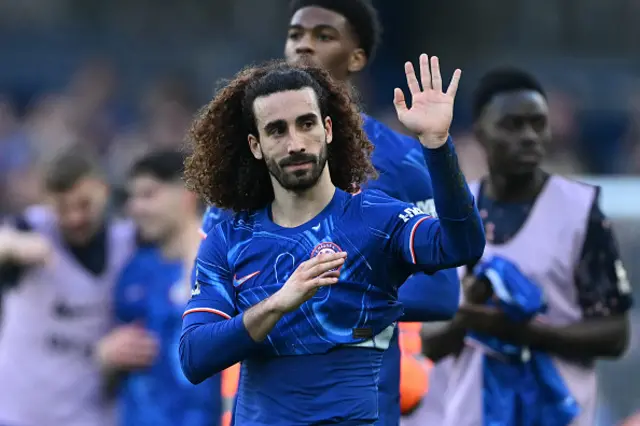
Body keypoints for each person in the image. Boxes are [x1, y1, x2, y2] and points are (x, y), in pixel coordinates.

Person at [179, 55, 484, 425]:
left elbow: (461, 246)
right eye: (276, 130)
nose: (295, 144)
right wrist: (277, 304)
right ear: (255, 145)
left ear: (328, 129)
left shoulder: (377, 219)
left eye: (305, 124)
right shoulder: (229, 238)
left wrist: (437, 146)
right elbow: (195, 356)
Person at [422, 68, 633, 426]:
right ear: (480, 134)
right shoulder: (447, 213)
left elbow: (615, 334)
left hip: (558, 414)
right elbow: (430, 342)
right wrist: (469, 315)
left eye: (538, 123)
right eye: (512, 125)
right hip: (469, 415)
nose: (530, 136)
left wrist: (525, 331)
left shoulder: (580, 211)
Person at [0, 153, 136, 426]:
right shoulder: (31, 229)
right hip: (20, 412)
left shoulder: (127, 241)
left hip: (89, 413)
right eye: (62, 209)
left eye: (84, 205)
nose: (75, 218)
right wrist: (15, 246)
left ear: (104, 190)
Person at [96, 150, 222, 426]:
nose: (134, 208)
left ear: (187, 194)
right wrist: (105, 356)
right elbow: (105, 360)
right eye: (132, 198)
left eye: (148, 195)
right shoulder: (134, 271)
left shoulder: (226, 265)